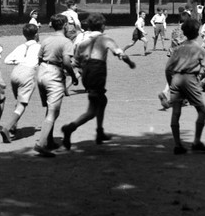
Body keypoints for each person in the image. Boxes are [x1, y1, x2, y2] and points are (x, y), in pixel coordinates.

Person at [61, 13, 135, 149]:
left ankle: (99, 131)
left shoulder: (84, 42)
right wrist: (130, 63)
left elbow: (75, 62)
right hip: (97, 72)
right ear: (102, 26)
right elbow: (120, 53)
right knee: (92, 110)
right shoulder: (105, 39)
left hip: (87, 73)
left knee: (102, 100)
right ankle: (70, 128)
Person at [165, 18, 205, 154]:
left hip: (176, 78)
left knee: (176, 112)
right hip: (190, 79)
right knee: (202, 111)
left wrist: (171, 84)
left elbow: (168, 69)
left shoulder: (177, 49)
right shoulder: (200, 49)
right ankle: (196, 141)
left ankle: (177, 144)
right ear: (198, 32)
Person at [33, 13, 77, 157]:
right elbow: (66, 62)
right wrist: (73, 75)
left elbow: (39, 58)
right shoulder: (66, 42)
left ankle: (49, 140)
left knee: (49, 109)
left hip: (41, 73)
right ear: (65, 25)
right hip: (54, 74)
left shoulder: (46, 40)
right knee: (53, 112)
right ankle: (41, 144)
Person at [0, 23, 41, 143]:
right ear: (36, 34)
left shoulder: (20, 47)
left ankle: (13, 128)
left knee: (18, 101)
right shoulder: (39, 47)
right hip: (27, 73)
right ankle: (7, 127)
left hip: (16, 72)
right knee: (22, 104)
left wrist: (19, 60)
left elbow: (7, 60)